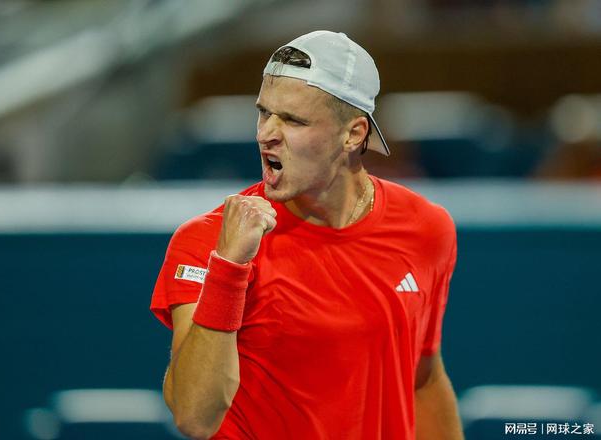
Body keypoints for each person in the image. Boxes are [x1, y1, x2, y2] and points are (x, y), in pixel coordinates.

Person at [151, 30, 463, 440]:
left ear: (353, 134)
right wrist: (229, 267)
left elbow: (422, 377)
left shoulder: (426, 229)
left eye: (293, 120)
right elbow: (194, 418)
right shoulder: (207, 242)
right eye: (264, 113)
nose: (266, 133)